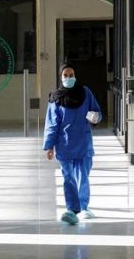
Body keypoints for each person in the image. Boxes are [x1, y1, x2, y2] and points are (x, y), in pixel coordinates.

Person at [44, 64, 102, 225]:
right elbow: (52, 124)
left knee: (83, 176)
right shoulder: (56, 98)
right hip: (64, 144)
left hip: (83, 142)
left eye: (71, 75)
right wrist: (49, 146)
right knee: (68, 177)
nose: (68, 78)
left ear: (76, 76)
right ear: (60, 77)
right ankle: (72, 209)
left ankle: (84, 207)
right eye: (65, 75)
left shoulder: (85, 93)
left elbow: (97, 111)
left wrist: (96, 117)